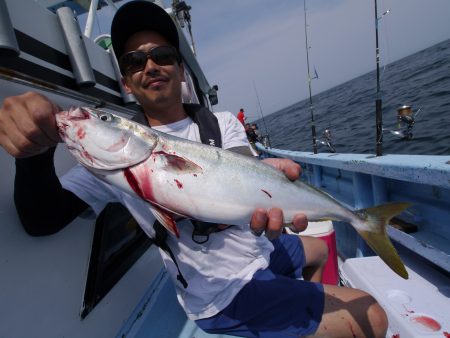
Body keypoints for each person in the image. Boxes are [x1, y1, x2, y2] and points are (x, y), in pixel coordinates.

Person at [0, 1, 388, 337]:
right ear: (127, 82)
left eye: (163, 55)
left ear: (181, 69)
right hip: (222, 291)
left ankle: (300, 324)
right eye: (135, 61)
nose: (150, 65)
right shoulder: (109, 167)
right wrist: (32, 155)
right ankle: (299, 319)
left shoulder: (221, 124)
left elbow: (248, 180)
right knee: (372, 315)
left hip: (258, 251)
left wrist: (272, 181)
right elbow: (43, 219)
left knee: (318, 249)